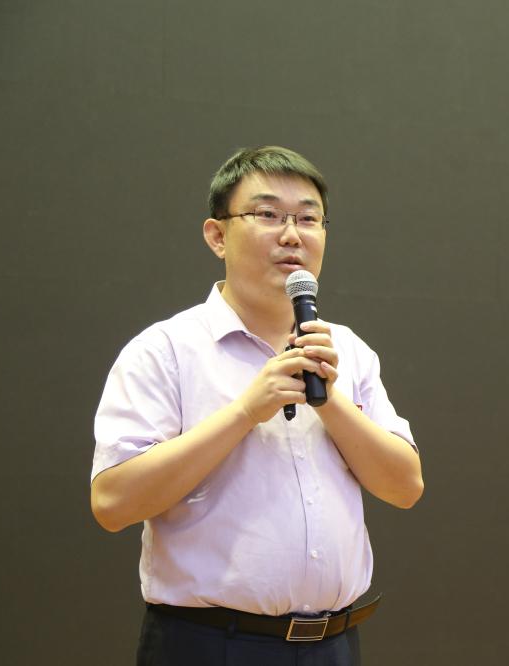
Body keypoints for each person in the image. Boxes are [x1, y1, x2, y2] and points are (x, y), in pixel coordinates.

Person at [90, 146, 423, 665]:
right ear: (217, 235)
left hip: (332, 647)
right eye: (268, 214)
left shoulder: (348, 351)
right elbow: (113, 504)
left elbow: (405, 487)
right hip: (210, 645)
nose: (292, 235)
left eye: (308, 219)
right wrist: (246, 411)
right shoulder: (166, 350)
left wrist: (329, 400)